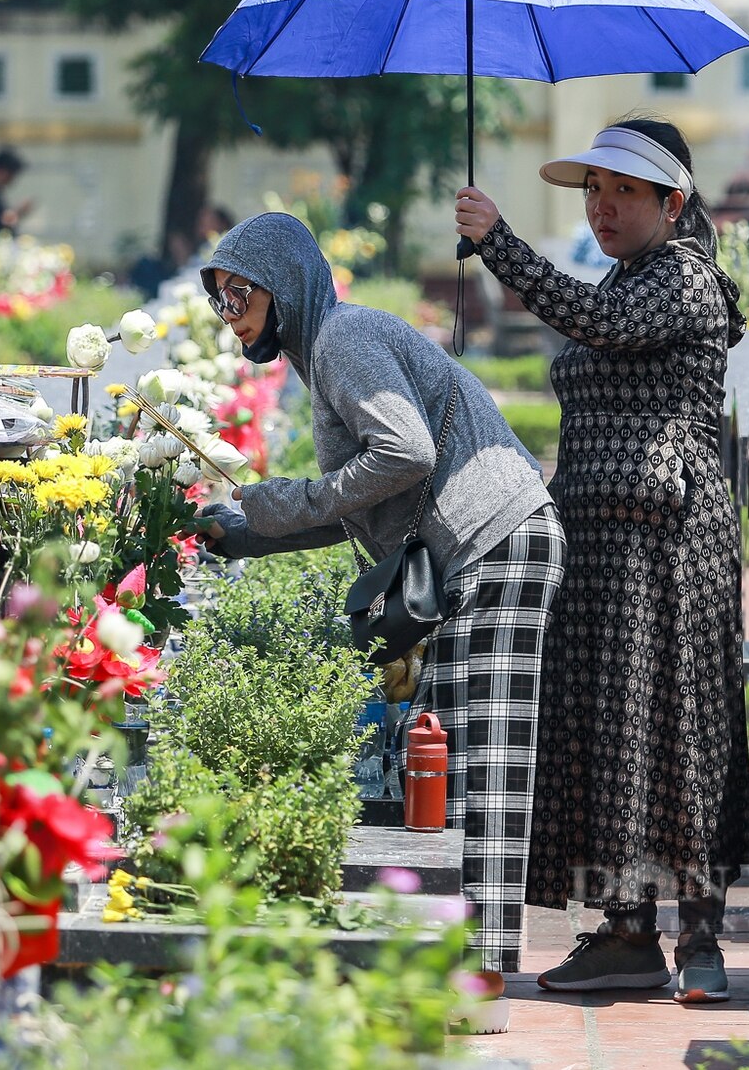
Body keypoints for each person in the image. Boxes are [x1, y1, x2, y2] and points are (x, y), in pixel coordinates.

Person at [198, 212, 565, 1005]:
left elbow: (406, 454)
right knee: (438, 748)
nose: (231, 318)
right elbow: (366, 499)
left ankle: (485, 965)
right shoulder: (323, 350)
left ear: (282, 280)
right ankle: (457, 946)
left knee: (479, 757)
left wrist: (284, 498)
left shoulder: (343, 338)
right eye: (220, 301)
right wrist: (252, 530)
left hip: (497, 540)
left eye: (238, 293)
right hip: (477, 550)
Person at [452, 117, 749, 1005]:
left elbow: (601, 321)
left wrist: (499, 242)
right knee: (611, 731)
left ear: (674, 201)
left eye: (623, 191)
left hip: (667, 534)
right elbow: (597, 314)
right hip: (600, 531)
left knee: (679, 722)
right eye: (592, 190)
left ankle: (702, 936)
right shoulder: (631, 274)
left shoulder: (688, 283)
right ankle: (626, 931)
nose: (602, 206)